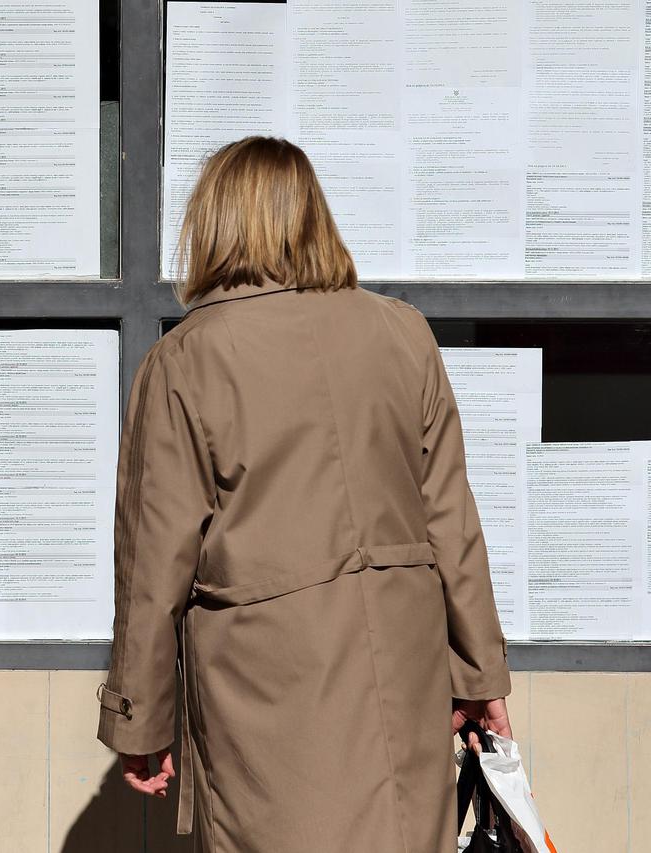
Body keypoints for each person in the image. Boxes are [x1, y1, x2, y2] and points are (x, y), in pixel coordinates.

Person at [96, 136, 513, 852]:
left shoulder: (186, 361)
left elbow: (153, 563)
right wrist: (481, 678)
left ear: (216, 224)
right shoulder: (403, 333)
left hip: (266, 698)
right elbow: (452, 522)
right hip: (404, 686)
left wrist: (139, 719)